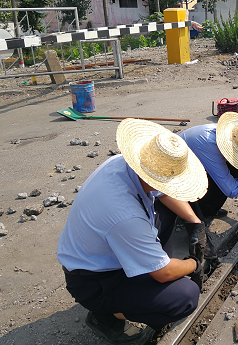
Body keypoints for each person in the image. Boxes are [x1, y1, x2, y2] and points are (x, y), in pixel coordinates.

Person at [57, 119, 209, 344]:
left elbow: (162, 193)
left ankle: (149, 263)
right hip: (94, 281)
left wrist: (195, 222)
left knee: (168, 211)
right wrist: (195, 263)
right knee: (185, 296)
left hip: (105, 253)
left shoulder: (124, 164)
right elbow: (164, 273)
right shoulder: (125, 214)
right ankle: (105, 316)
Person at [177, 112, 238, 264]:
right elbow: (230, 189)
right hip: (177, 176)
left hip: (198, 166)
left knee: (234, 168)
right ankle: (196, 227)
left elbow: (225, 176)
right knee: (193, 201)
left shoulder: (227, 136)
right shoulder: (209, 144)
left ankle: (207, 208)